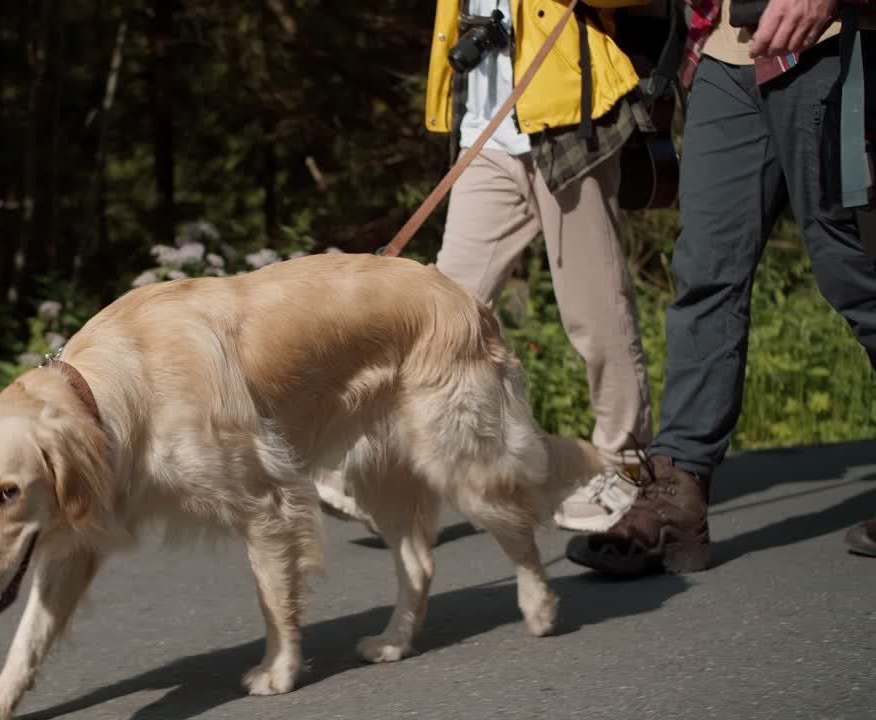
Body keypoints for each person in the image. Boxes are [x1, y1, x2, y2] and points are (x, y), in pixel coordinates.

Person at [318, 0, 659, 533]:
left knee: (595, 313)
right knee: (437, 317)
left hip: (568, 125)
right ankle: (388, 468)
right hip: (489, 134)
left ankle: (628, 465)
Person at [566, 0, 876, 575]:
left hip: (831, 37)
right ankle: (676, 498)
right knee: (704, 274)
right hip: (724, 51)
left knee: (854, 269)